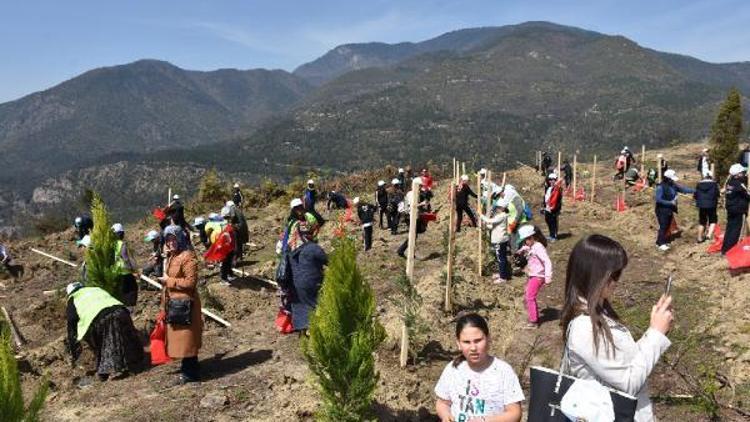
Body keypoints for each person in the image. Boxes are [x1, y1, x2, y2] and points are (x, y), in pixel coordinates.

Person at [561, 234, 673, 422]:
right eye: (613, 275)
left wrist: (655, 327)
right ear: (594, 275)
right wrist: (656, 334)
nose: (616, 281)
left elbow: (623, 363)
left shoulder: (597, 312)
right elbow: (628, 383)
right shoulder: (585, 328)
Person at [435, 313, 524, 422]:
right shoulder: (453, 369)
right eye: (466, 342)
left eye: (478, 341)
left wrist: (484, 420)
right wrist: (445, 415)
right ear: (458, 343)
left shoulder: (503, 371)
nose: (473, 348)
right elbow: (442, 403)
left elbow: (515, 413)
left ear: (488, 339)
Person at [66, 282, 143, 381]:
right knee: (128, 337)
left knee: (103, 345)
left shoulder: (73, 298)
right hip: (121, 311)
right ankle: (136, 363)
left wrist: (73, 347)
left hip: (101, 319)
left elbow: (72, 320)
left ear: (69, 293)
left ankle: (104, 372)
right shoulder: (95, 289)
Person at [157, 225, 202, 384]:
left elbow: (191, 282)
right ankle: (189, 367)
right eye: (168, 239)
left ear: (180, 238)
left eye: (173, 238)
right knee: (181, 339)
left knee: (187, 339)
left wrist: (169, 281)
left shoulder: (188, 256)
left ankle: (190, 373)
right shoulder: (172, 257)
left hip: (185, 305)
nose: (171, 242)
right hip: (175, 304)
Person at [287, 224, 328, 332]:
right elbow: (329, 261)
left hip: (295, 283)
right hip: (312, 281)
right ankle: (315, 329)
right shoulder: (313, 248)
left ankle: (302, 329)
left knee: (300, 304)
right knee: (316, 303)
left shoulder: (292, 248)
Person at [515, 225, 551, 329]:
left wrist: (548, 277)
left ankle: (534, 321)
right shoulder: (532, 246)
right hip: (533, 274)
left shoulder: (538, 247)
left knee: (529, 297)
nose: (525, 242)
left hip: (538, 275)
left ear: (531, 237)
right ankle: (533, 316)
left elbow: (547, 261)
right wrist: (521, 250)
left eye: (526, 240)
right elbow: (528, 248)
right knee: (528, 293)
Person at [654, 169, 694, 251]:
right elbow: (658, 199)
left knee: (667, 225)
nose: (673, 181)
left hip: (669, 210)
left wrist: (696, 191)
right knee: (663, 226)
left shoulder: (673, 185)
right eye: (672, 179)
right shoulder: (661, 187)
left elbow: (684, 189)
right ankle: (660, 243)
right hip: (662, 209)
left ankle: (661, 241)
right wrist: (670, 202)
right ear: (668, 178)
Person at [481, 194, 511, 284]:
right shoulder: (502, 216)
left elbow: (490, 221)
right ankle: (502, 273)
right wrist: (486, 226)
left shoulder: (501, 216)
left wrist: (480, 215)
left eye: (498, 207)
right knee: (501, 257)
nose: (496, 209)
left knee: (501, 258)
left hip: (500, 240)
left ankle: (503, 278)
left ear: (502, 208)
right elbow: (493, 226)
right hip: (501, 239)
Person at [397, 178, 429, 258]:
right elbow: (412, 206)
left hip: (413, 216)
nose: (421, 187)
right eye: (420, 186)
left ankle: (409, 252)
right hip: (411, 217)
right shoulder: (412, 194)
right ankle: (402, 250)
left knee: (414, 235)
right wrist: (422, 204)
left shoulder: (414, 193)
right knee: (413, 235)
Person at [722, 164, 750, 254]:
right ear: (737, 174)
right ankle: (731, 250)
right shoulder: (739, 184)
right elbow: (748, 195)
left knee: (729, 228)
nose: (744, 174)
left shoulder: (730, 183)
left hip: (731, 208)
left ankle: (725, 249)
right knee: (736, 230)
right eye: (742, 172)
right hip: (738, 210)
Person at [112, 223, 138, 311]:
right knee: (132, 290)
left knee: (120, 293)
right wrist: (133, 270)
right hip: (125, 272)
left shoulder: (111, 245)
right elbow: (126, 259)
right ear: (121, 233)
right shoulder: (122, 244)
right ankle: (129, 309)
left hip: (115, 273)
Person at [694, 170, 719, 243]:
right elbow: (717, 194)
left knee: (702, 222)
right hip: (712, 205)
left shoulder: (699, 184)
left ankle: (699, 238)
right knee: (713, 221)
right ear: (711, 176)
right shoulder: (714, 184)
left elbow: (696, 195)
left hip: (701, 206)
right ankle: (708, 236)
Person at [503, 185, 528, 253]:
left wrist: (515, 222)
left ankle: (518, 256)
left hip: (519, 222)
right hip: (512, 223)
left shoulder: (516, 199)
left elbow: (520, 211)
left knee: (518, 241)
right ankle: (515, 254)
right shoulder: (510, 199)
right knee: (513, 240)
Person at [542, 173, 563, 241]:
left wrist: (555, 208)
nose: (551, 181)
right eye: (550, 180)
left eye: (553, 180)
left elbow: (557, 200)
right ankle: (551, 235)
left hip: (553, 209)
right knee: (548, 221)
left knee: (553, 222)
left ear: (556, 180)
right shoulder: (549, 188)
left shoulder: (557, 189)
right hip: (548, 208)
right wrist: (544, 206)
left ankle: (554, 236)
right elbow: (546, 198)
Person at [218, 206, 236, 284]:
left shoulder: (229, 224)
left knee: (228, 262)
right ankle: (223, 279)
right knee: (225, 263)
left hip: (229, 247)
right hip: (225, 247)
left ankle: (228, 275)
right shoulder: (223, 225)